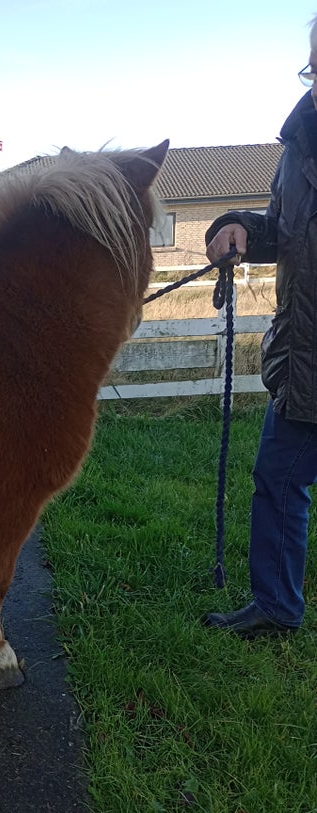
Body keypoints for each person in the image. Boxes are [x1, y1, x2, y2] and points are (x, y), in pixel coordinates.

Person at [203, 17, 317, 638]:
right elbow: (285, 228)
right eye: (315, 68)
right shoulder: (299, 147)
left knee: (280, 476)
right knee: (278, 477)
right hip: (304, 356)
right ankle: (275, 606)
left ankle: (277, 606)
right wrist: (245, 228)